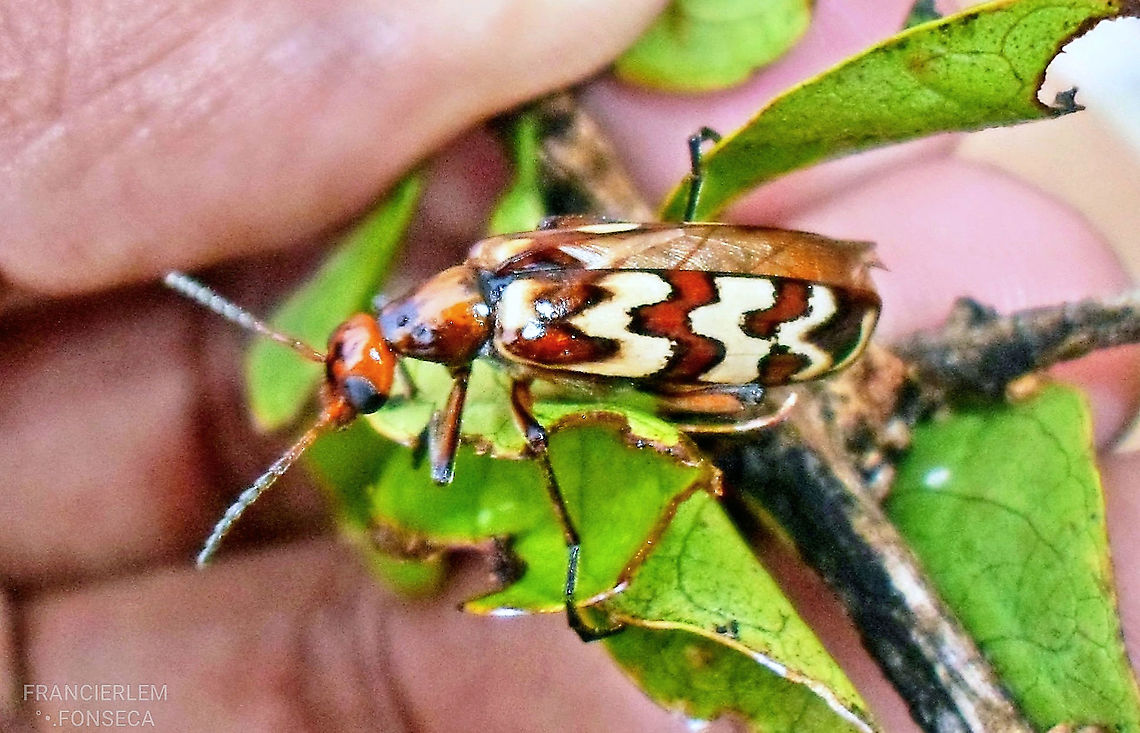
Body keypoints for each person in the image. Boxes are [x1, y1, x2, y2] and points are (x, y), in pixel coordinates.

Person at [2, 1, 1136, 730]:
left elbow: (544, 413)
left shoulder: (526, 334)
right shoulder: (492, 269)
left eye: (361, 378)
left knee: (641, 399)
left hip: (789, 306)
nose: (358, 387)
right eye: (356, 379)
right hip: (773, 282)